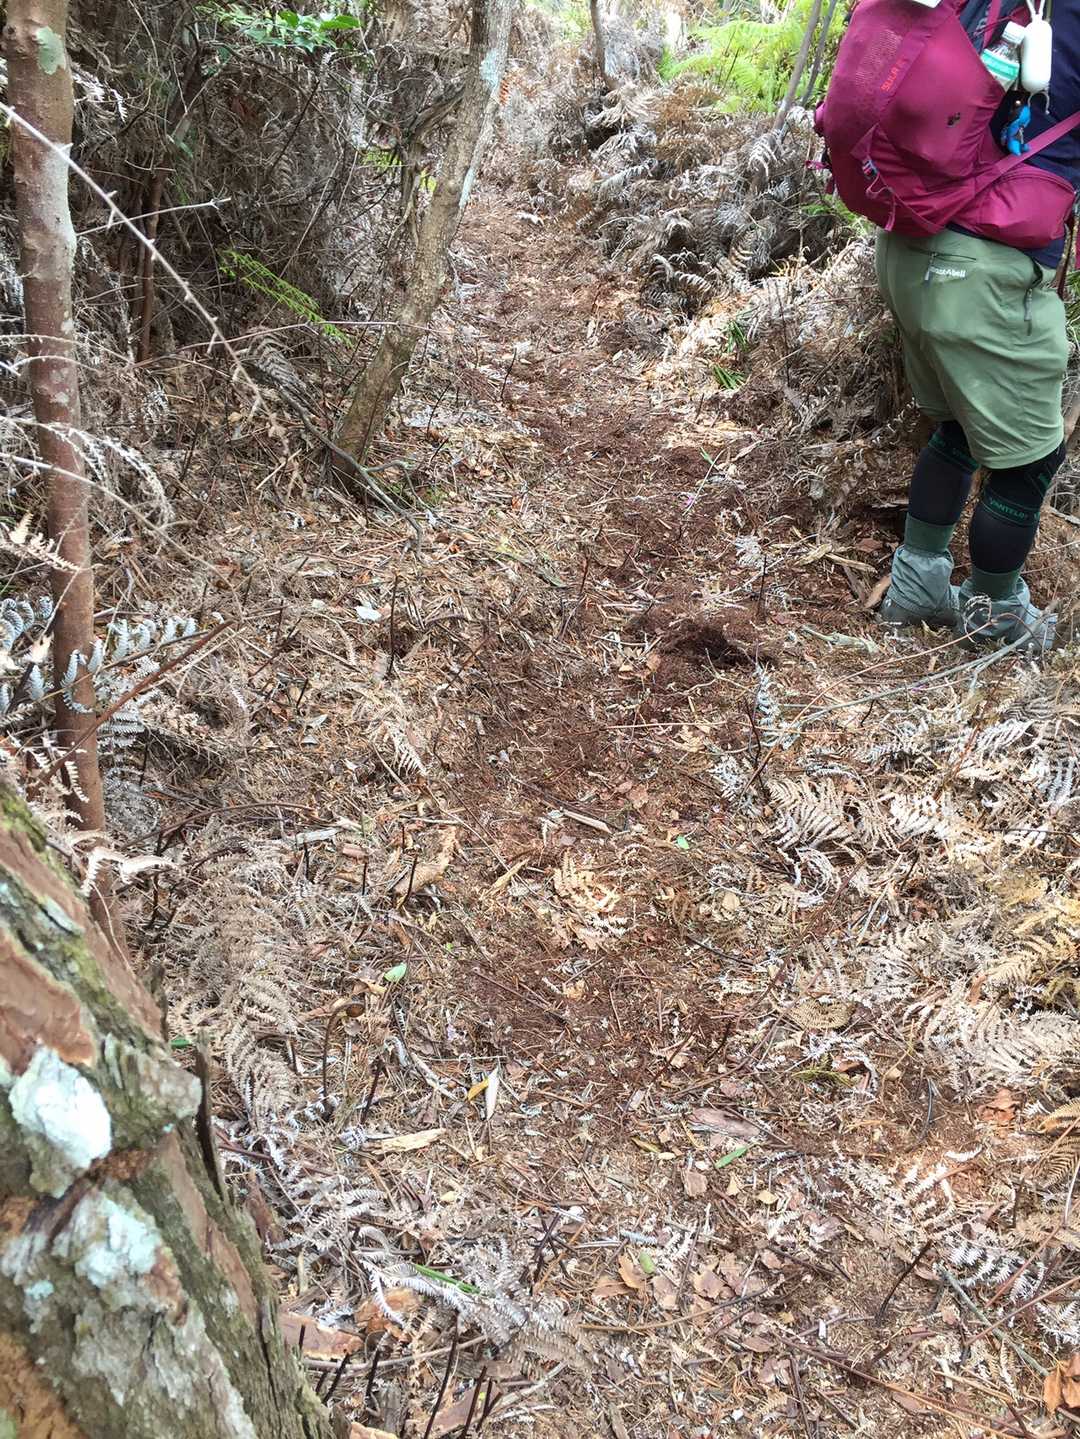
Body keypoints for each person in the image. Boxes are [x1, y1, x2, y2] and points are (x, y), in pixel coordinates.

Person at [877, 5, 1078, 652]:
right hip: (982, 268)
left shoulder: (999, 7)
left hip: (909, 243)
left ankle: (917, 588)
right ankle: (996, 619)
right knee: (1032, 459)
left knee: (960, 426)